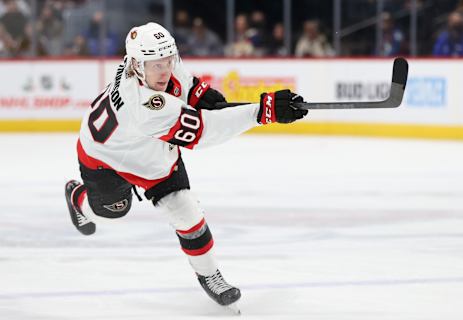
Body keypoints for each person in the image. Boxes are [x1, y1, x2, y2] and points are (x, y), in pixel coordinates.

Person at [64, 22, 307, 311]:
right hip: (105, 156)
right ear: (137, 66)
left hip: (151, 155)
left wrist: (200, 95)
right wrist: (263, 111)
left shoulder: (150, 60)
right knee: (110, 213)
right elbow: (203, 132)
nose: (164, 70)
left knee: (185, 210)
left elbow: (184, 82)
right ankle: (76, 198)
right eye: (156, 65)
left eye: (168, 60)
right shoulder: (143, 105)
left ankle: (209, 275)